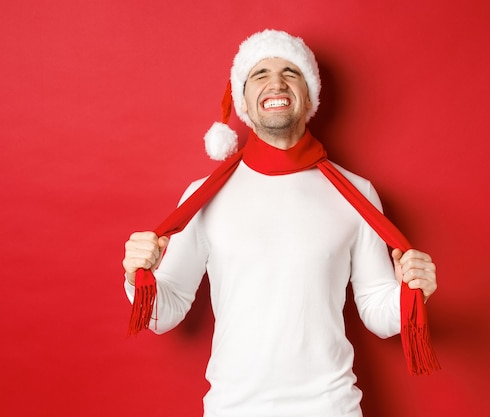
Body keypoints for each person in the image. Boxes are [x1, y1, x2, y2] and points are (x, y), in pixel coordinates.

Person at [122, 29, 437, 417]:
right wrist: (138, 275)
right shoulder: (202, 197)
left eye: (291, 72)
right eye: (260, 74)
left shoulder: (357, 192)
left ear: (308, 96)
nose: (276, 82)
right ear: (243, 101)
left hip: (331, 408)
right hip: (232, 409)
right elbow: (162, 315)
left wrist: (411, 287)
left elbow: (378, 312)